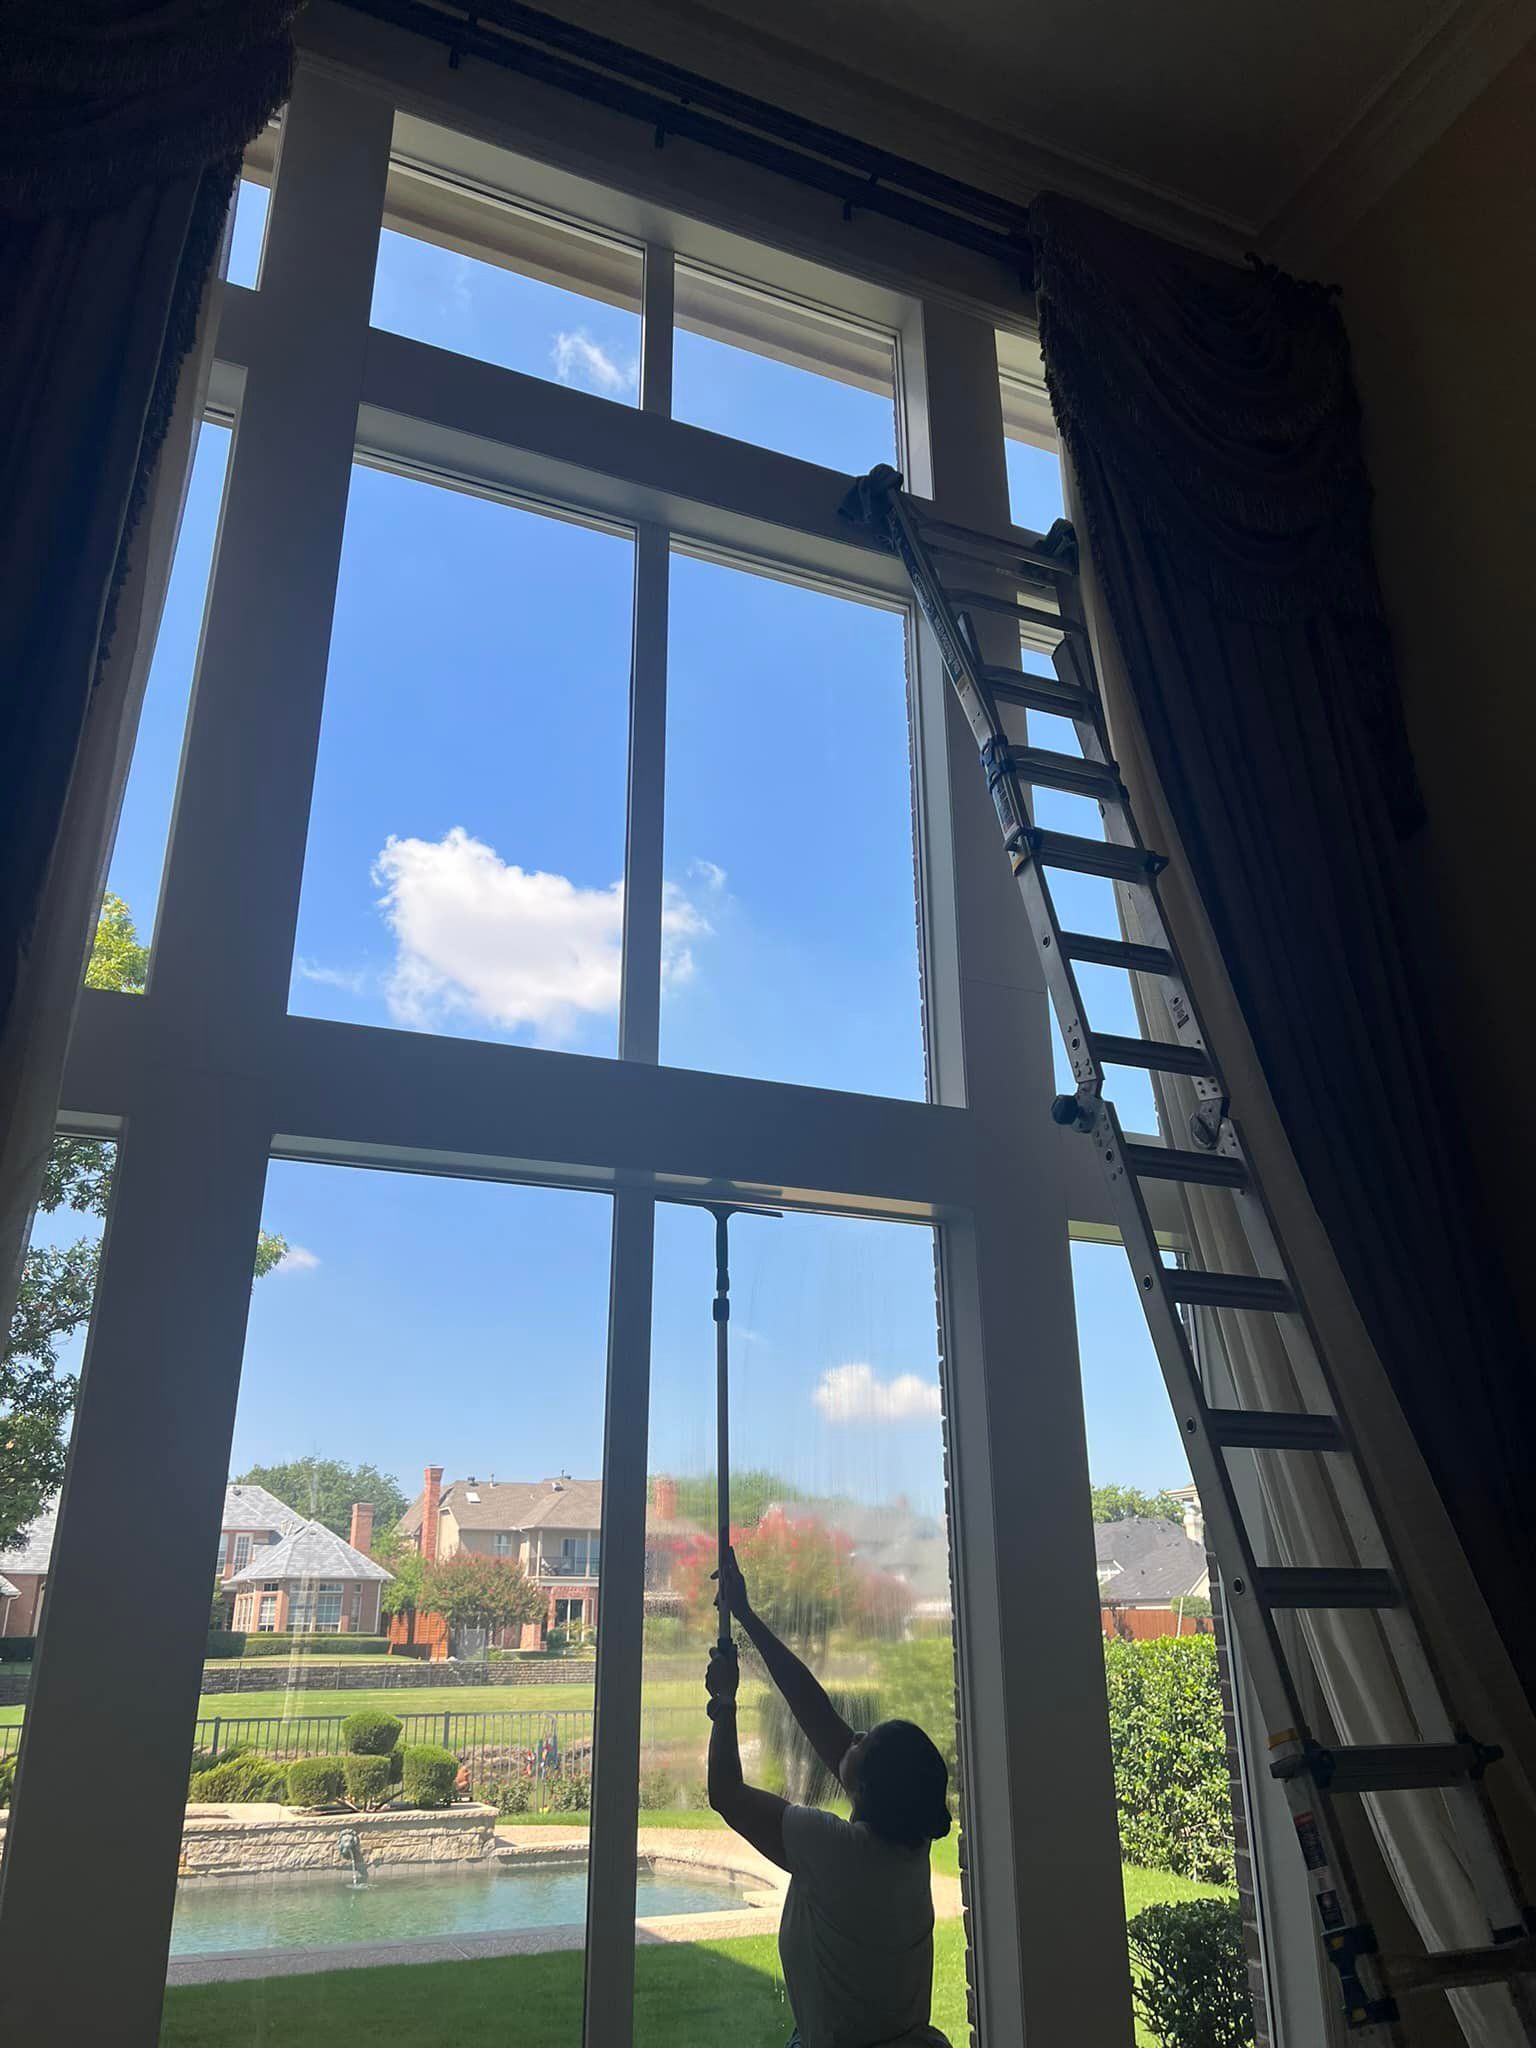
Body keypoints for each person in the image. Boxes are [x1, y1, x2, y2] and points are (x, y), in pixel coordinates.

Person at [705, 1547, 953, 2048]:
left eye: (864, 1740)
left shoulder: (835, 1851)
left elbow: (726, 1794)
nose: (853, 1735)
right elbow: (817, 1715)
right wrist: (747, 1616)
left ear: (868, 1787)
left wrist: (726, 1702)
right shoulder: (907, 1845)